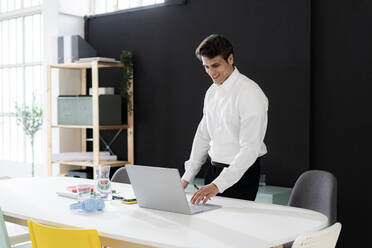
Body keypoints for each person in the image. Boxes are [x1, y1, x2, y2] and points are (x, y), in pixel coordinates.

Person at [181, 34, 268, 204]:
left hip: (242, 173)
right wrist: (186, 178)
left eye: (215, 65)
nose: (211, 73)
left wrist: (218, 185)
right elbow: (202, 137)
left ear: (230, 58)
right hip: (213, 170)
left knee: (234, 228)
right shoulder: (211, 92)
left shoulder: (249, 93)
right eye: (206, 67)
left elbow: (250, 149)